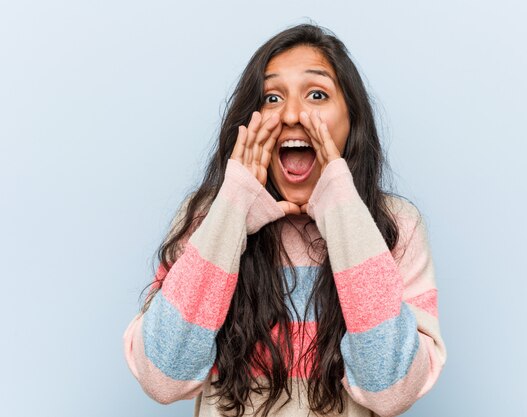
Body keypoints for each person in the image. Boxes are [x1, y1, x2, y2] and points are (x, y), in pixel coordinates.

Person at [122, 23, 447, 417]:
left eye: (317, 94)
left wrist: (344, 213)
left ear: (351, 120)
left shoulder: (396, 225)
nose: (293, 114)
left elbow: (391, 391)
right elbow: (162, 379)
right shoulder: (208, 217)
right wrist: (232, 210)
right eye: (272, 97)